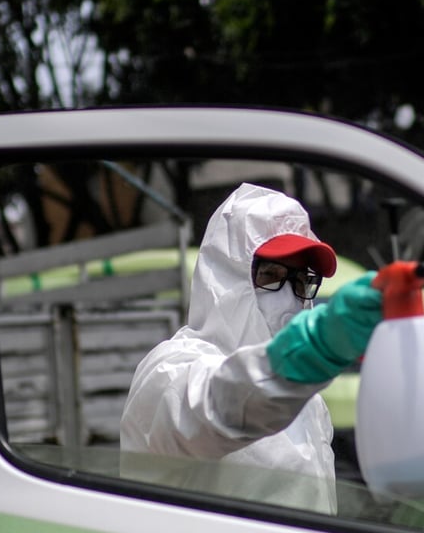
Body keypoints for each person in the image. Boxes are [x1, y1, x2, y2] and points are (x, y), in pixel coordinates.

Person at [121, 183, 382, 513]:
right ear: (227, 275)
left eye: (302, 280)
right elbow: (223, 404)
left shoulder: (307, 402)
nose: (290, 297)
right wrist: (317, 350)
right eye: (271, 275)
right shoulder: (170, 371)